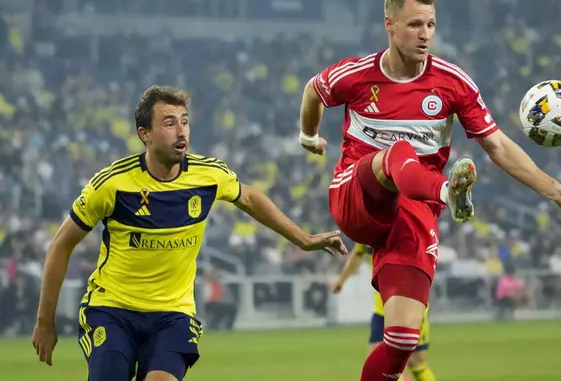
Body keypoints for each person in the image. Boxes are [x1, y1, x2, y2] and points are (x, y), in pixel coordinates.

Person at [298, 0, 561, 379]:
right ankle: (447, 190)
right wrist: (308, 137)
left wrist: (555, 189)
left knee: (403, 341)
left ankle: (443, 193)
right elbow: (312, 91)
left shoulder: (452, 82)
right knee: (397, 152)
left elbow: (499, 145)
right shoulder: (355, 75)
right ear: (389, 26)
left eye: (431, 25)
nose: (425, 34)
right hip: (357, 194)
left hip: (413, 213)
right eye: (415, 24)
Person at [31, 85, 347, 381]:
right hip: (112, 311)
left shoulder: (208, 174)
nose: (181, 131)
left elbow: (249, 197)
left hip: (173, 315)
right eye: (169, 123)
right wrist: (45, 321)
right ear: (145, 134)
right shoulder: (112, 184)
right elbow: (61, 244)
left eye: (184, 122)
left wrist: (304, 240)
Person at [331, 243, 436, 381]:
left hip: (410, 306)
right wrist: (341, 280)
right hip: (382, 310)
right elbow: (358, 252)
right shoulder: (367, 229)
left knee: (417, 364)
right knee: (380, 365)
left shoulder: (405, 228)